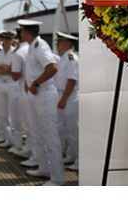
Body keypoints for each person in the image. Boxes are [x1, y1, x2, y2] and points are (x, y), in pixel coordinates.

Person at [17, 19, 64, 186]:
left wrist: (36, 83)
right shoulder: (31, 47)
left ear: (26, 32)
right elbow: (34, 69)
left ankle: (58, 178)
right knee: (38, 132)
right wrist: (28, 82)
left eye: (21, 31)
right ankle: (44, 168)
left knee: (50, 136)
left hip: (44, 94)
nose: (20, 33)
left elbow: (52, 67)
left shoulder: (40, 46)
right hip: (35, 95)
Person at [54, 31, 79, 172]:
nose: (57, 44)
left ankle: (79, 160)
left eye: (59, 41)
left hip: (70, 97)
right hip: (62, 95)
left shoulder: (71, 59)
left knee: (73, 129)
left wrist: (63, 99)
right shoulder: (63, 58)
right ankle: (70, 155)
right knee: (62, 127)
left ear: (67, 43)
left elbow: (72, 79)